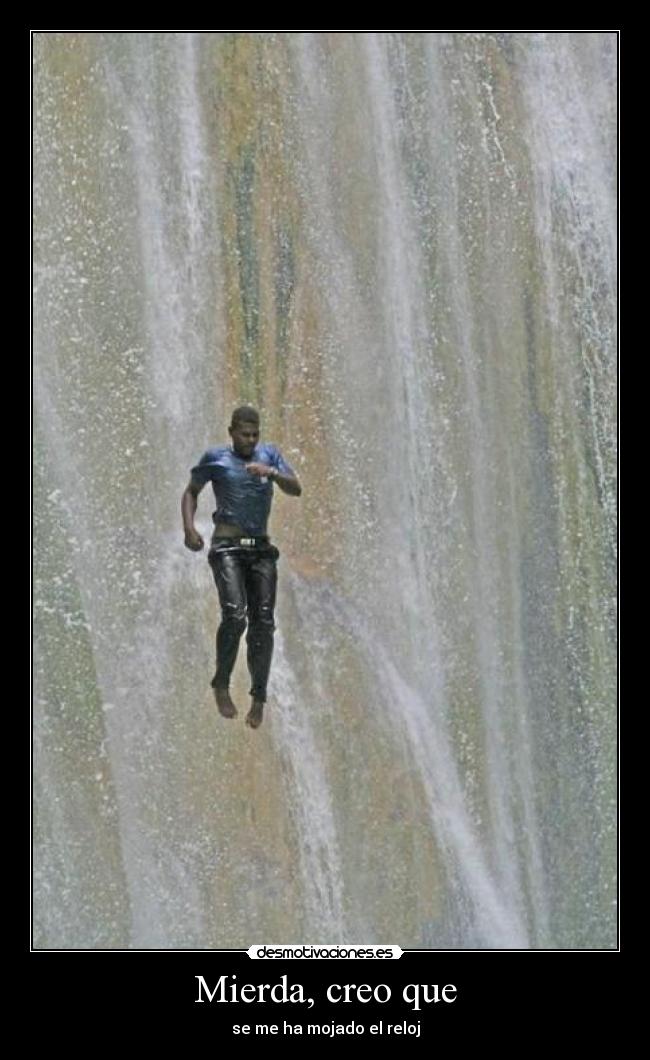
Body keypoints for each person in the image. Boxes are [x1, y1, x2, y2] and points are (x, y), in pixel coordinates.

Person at [182, 406, 302, 729]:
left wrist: (272, 473)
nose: (250, 440)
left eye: (255, 434)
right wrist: (190, 529)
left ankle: (258, 697)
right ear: (231, 431)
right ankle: (221, 683)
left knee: (263, 624)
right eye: (244, 434)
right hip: (227, 549)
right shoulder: (215, 459)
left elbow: (296, 487)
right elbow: (191, 491)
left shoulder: (269, 456)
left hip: (261, 550)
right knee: (235, 615)